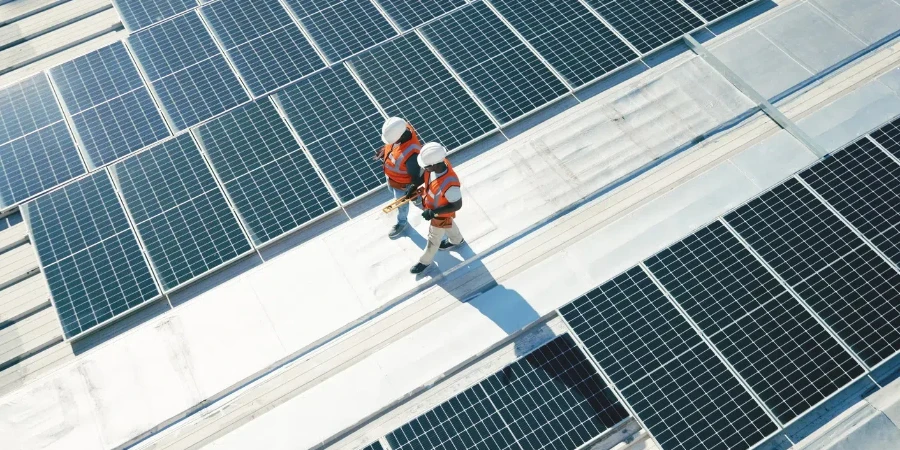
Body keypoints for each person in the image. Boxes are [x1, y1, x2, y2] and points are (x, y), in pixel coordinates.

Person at [409, 142, 464, 275]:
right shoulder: (437, 164)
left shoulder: (450, 184)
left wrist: (434, 212)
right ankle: (457, 240)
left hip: (439, 213)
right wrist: (413, 186)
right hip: (436, 210)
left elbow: (457, 205)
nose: (424, 169)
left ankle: (424, 261)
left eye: (426, 167)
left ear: (434, 165)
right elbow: (426, 176)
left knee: (433, 239)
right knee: (448, 224)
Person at [380, 117, 423, 238]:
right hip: (391, 179)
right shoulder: (399, 128)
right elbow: (393, 147)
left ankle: (402, 222)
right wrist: (385, 151)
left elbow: (418, 176)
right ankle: (417, 198)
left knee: (401, 206)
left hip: (403, 186)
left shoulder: (411, 154)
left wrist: (412, 189)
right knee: (393, 192)